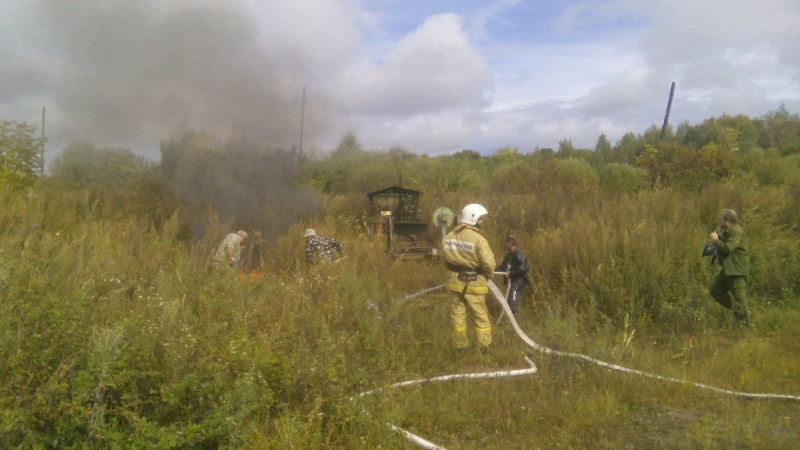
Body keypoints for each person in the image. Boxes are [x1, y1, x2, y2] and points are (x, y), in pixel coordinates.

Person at [441, 204, 497, 355]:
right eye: (480, 219)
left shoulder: (449, 237)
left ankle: (460, 347)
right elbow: (488, 264)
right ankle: (483, 348)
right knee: (480, 316)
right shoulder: (479, 239)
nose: (481, 222)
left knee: (457, 315)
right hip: (475, 282)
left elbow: (445, 259)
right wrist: (488, 275)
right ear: (473, 218)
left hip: (454, 282)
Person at [707, 209, 751, 326]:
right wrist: (719, 239)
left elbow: (728, 248)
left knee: (740, 299)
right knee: (716, 291)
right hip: (729, 269)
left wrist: (715, 240)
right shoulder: (730, 232)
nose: (719, 221)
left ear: (727, 220)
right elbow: (727, 245)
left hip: (736, 270)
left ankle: (745, 326)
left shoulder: (736, 231)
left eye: (721, 218)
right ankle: (737, 310)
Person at [495, 236, 530, 316]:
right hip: (509, 283)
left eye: (506, 243)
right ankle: (508, 319)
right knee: (508, 303)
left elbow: (523, 268)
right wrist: (492, 270)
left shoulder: (518, 254)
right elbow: (503, 267)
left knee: (513, 306)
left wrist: (511, 273)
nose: (505, 245)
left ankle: (515, 318)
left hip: (516, 282)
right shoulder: (508, 255)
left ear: (510, 243)